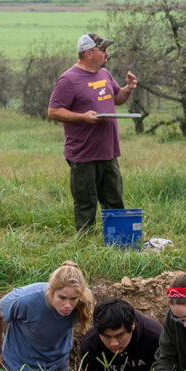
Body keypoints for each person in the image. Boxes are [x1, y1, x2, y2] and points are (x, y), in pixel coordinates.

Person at [47, 33, 138, 231]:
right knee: (86, 204)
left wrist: (129, 88)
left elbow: (117, 98)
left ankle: (117, 241)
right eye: (103, 49)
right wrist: (82, 117)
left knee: (114, 200)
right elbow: (53, 111)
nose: (107, 53)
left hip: (108, 151)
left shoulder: (104, 74)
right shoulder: (68, 79)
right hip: (83, 154)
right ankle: (85, 243)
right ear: (89, 53)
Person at [0, 261, 94, 371]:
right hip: (18, 368)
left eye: (73, 299)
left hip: (57, 367)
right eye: (62, 298)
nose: (68, 305)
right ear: (50, 291)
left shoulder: (84, 301)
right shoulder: (25, 300)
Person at [79, 299, 162, 371]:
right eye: (107, 336)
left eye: (119, 335)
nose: (114, 344)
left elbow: (166, 370)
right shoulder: (90, 344)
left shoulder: (155, 336)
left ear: (132, 326)